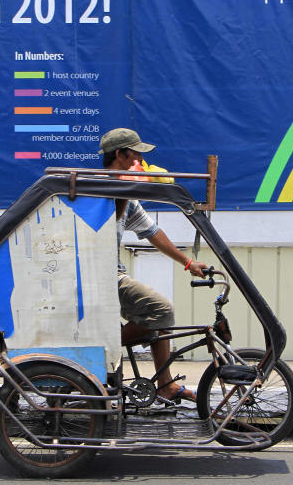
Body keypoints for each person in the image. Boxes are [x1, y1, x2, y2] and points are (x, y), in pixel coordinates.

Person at [99, 128, 209, 403]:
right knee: (162, 310)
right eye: (135, 154)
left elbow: (153, 232)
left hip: (112, 274)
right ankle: (99, 354)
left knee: (158, 322)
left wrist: (188, 263)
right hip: (97, 276)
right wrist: (128, 184)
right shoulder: (96, 187)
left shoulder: (126, 192)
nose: (139, 160)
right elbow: (107, 213)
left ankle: (166, 385)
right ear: (119, 155)